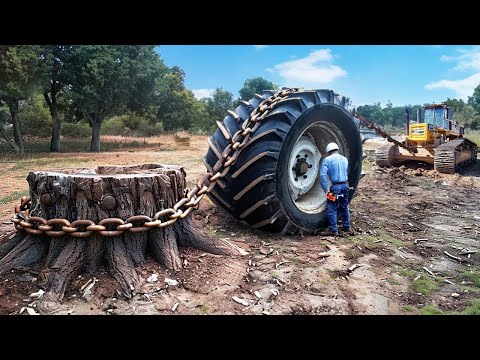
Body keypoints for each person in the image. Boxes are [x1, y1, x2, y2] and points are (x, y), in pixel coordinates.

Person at [319, 142, 354, 237]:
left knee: (331, 207)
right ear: (337, 149)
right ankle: (347, 227)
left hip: (336, 188)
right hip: (345, 186)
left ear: (328, 152)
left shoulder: (327, 160)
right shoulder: (344, 159)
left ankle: (333, 229)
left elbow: (322, 176)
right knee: (344, 206)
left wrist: (325, 189)